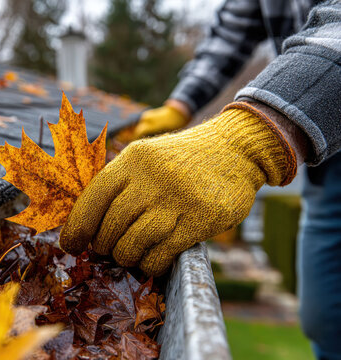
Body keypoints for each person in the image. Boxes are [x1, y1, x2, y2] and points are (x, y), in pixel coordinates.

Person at [58, 1, 341, 359]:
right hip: (322, 149)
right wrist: (181, 104)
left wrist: (247, 139)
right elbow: (232, 32)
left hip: (309, 116)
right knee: (325, 319)